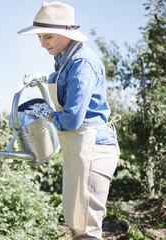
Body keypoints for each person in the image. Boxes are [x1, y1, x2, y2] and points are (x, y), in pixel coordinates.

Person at [18, 2, 120, 239]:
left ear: (66, 33)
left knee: (86, 227)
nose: (42, 43)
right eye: (40, 37)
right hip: (80, 147)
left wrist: (44, 111)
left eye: (48, 36)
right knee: (77, 221)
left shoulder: (82, 62)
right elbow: (62, 79)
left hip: (93, 149)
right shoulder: (66, 57)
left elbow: (71, 120)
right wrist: (43, 77)